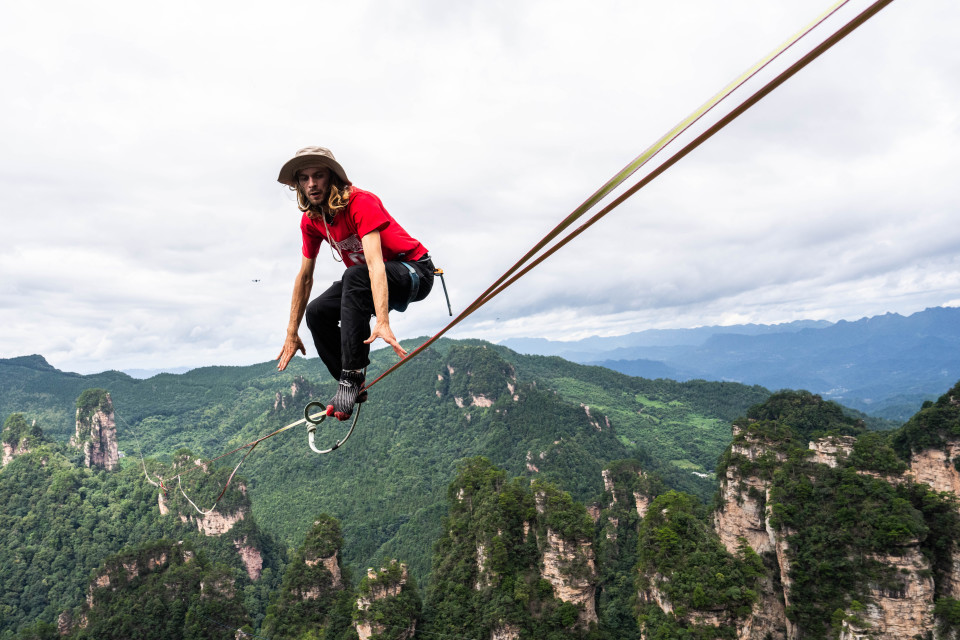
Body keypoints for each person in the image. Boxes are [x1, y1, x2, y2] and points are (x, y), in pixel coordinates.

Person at [274, 146, 434, 420]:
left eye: (318, 176)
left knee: (355, 275)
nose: (311, 184)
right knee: (317, 312)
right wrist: (292, 331)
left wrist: (382, 320)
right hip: (369, 281)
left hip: (414, 272)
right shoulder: (312, 220)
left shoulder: (361, 202)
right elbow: (305, 277)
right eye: (304, 178)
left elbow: (373, 264)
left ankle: (350, 376)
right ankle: (351, 386)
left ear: (333, 177)